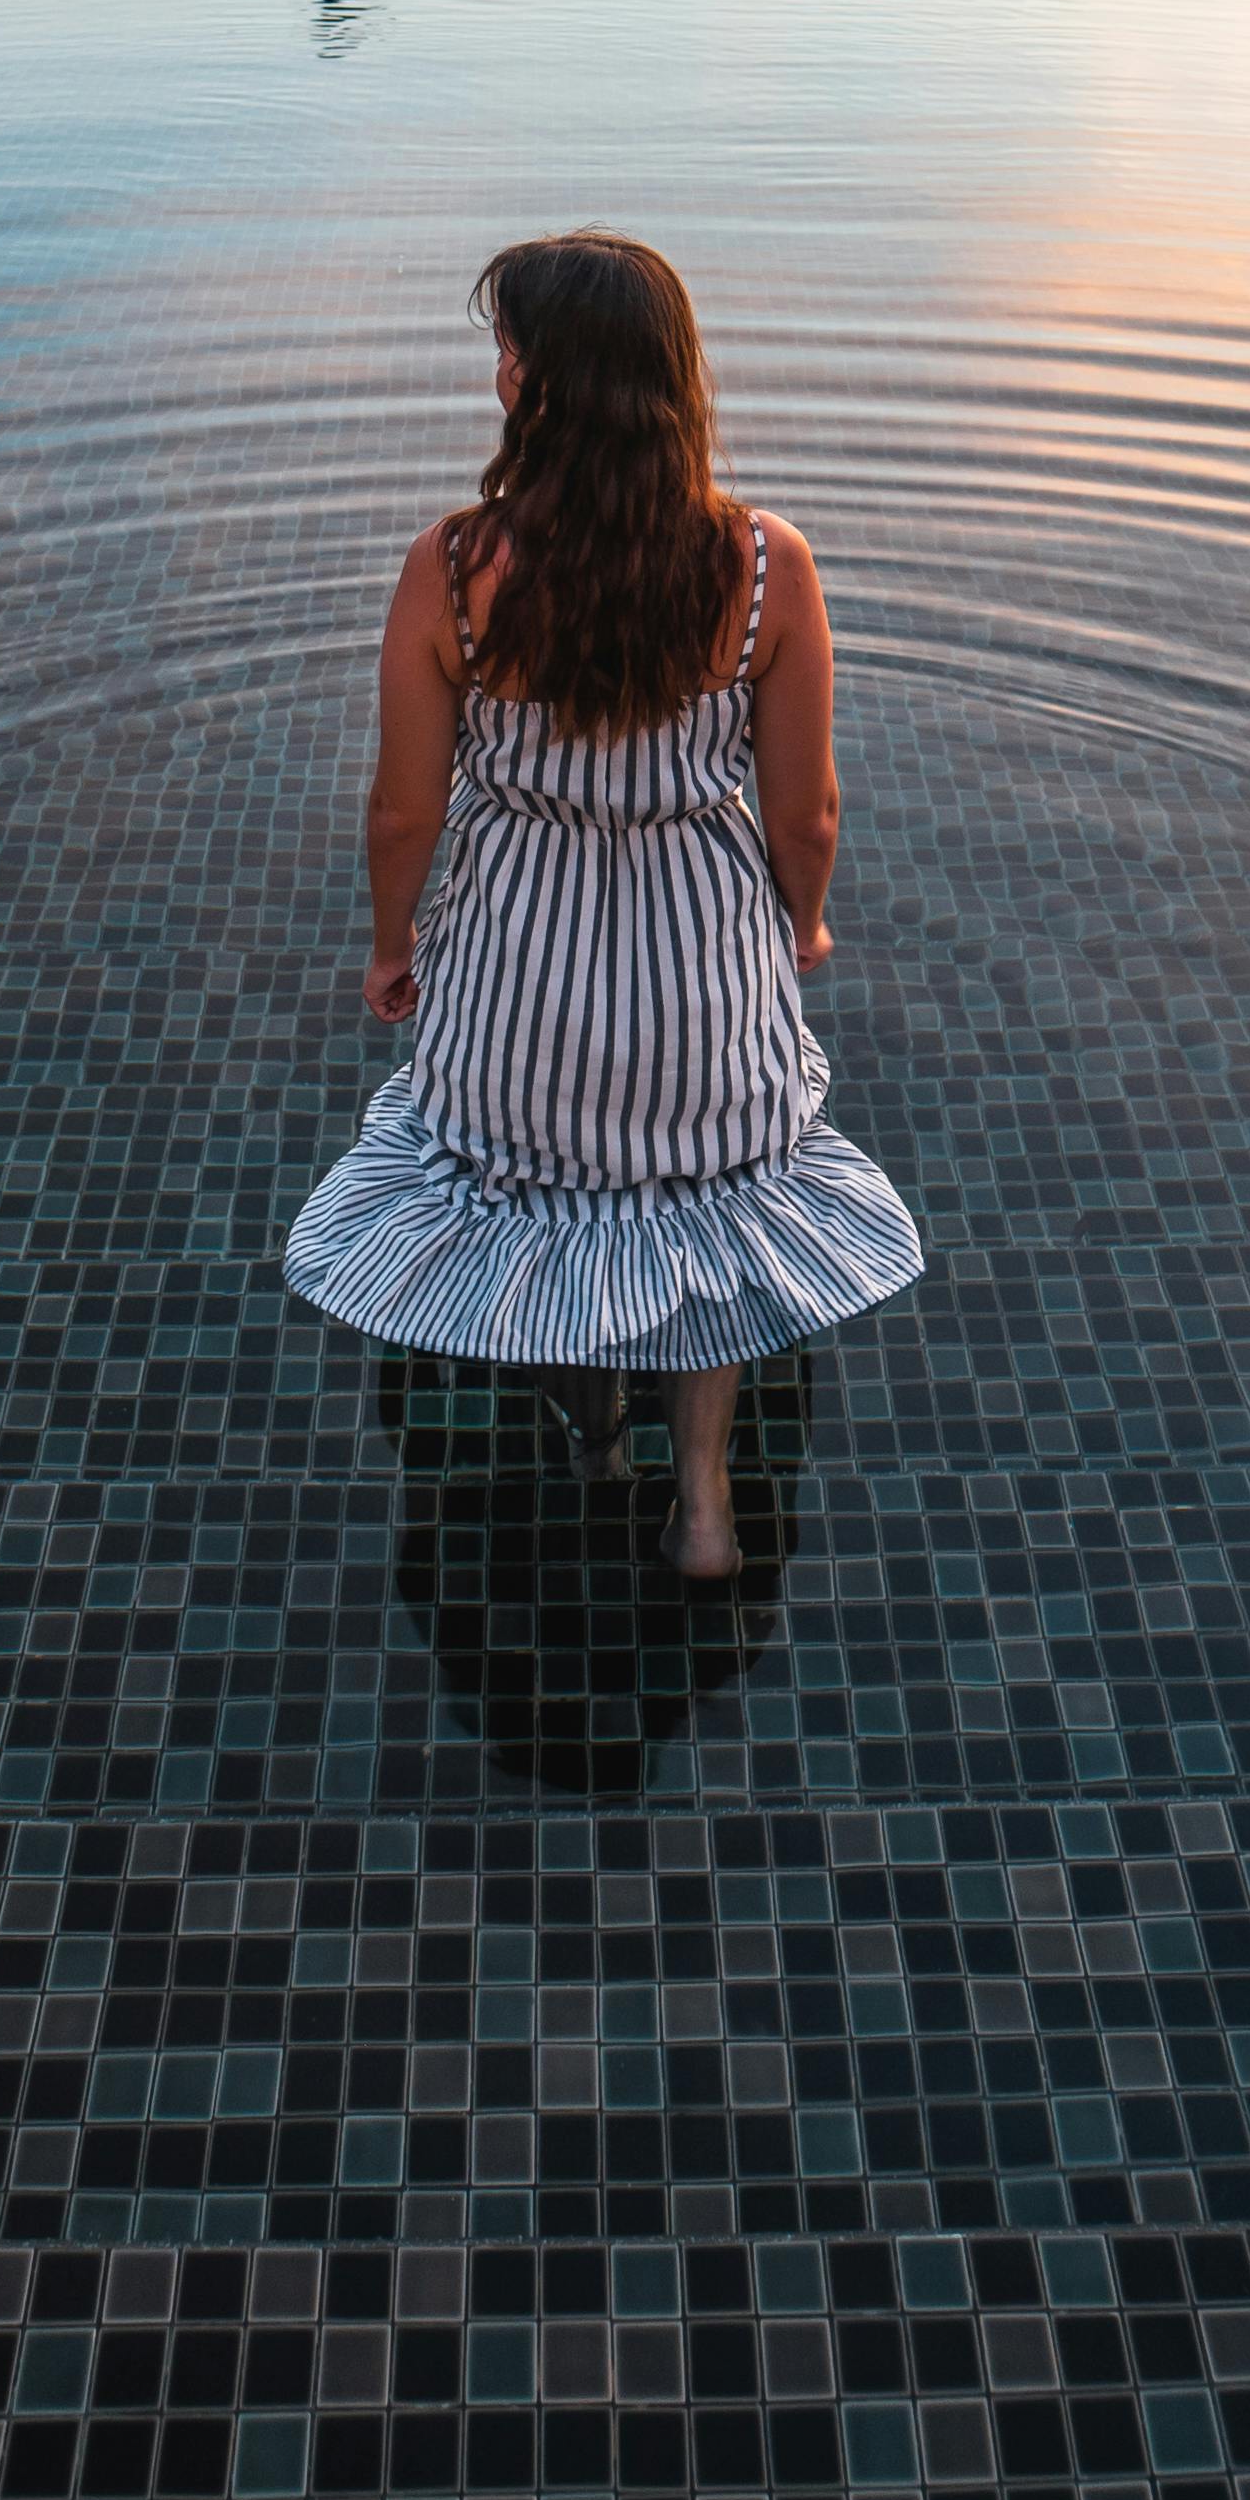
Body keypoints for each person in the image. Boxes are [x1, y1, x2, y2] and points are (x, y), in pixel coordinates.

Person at [285, 230, 921, 1577]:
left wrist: (393, 944)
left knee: (546, 1199)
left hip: (518, 971)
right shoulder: (765, 567)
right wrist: (802, 921)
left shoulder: (454, 570)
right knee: (712, 1196)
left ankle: (590, 1431)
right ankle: (705, 1502)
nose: (498, 369)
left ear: (540, 379)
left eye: (507, 347)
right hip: (701, 966)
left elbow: (402, 811)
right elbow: (806, 812)